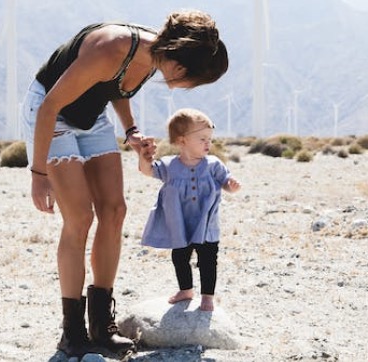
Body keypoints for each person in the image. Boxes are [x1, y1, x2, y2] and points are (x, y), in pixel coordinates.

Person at [20, 10, 228, 358]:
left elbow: (117, 87)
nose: (191, 87)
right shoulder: (112, 46)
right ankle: (71, 334)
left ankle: (101, 326)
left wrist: (130, 130)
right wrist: (38, 174)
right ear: (181, 66)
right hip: (51, 114)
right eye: (195, 80)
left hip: (92, 118)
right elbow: (51, 105)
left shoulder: (154, 57)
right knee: (80, 219)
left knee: (115, 211)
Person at [138, 108, 241, 312]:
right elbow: (147, 170)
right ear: (182, 140)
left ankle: (208, 297)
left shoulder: (213, 165)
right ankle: (186, 290)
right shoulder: (169, 166)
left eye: (210, 139)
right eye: (202, 138)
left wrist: (232, 185)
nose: (208, 143)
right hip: (180, 224)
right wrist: (144, 157)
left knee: (208, 260)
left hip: (206, 225)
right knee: (180, 257)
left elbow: (225, 182)